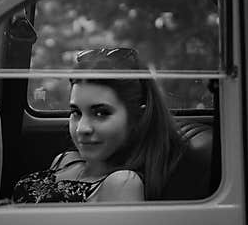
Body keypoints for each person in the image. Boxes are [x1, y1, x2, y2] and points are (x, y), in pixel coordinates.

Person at [12, 47, 184, 203]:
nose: (82, 128)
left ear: (138, 117)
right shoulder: (65, 160)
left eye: (101, 113)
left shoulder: (122, 183)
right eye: (76, 112)